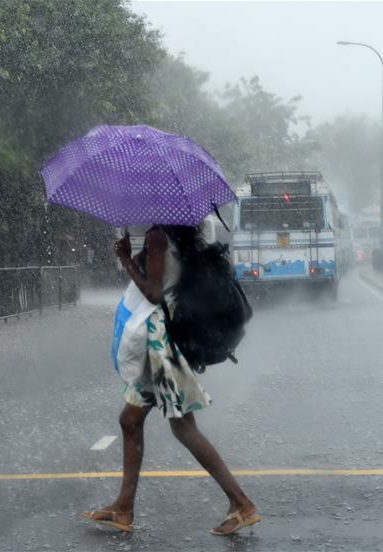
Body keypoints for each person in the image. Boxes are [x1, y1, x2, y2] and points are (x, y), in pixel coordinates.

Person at [82, 225, 260, 536]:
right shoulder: (181, 238)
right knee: (131, 421)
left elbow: (152, 293)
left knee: (181, 426)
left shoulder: (158, 236)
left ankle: (242, 503)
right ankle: (123, 507)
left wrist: (125, 259)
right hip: (162, 344)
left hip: (158, 348)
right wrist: (139, 257)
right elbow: (165, 281)